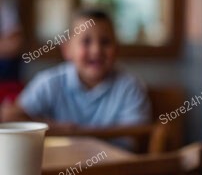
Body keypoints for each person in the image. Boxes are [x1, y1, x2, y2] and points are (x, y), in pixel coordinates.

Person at [2, 8, 151, 132]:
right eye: (86, 41)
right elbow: (8, 116)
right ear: (67, 49)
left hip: (114, 166)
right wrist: (57, 128)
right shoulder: (49, 82)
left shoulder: (130, 87)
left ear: (117, 49)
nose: (96, 50)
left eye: (105, 42)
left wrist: (74, 132)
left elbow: (136, 136)